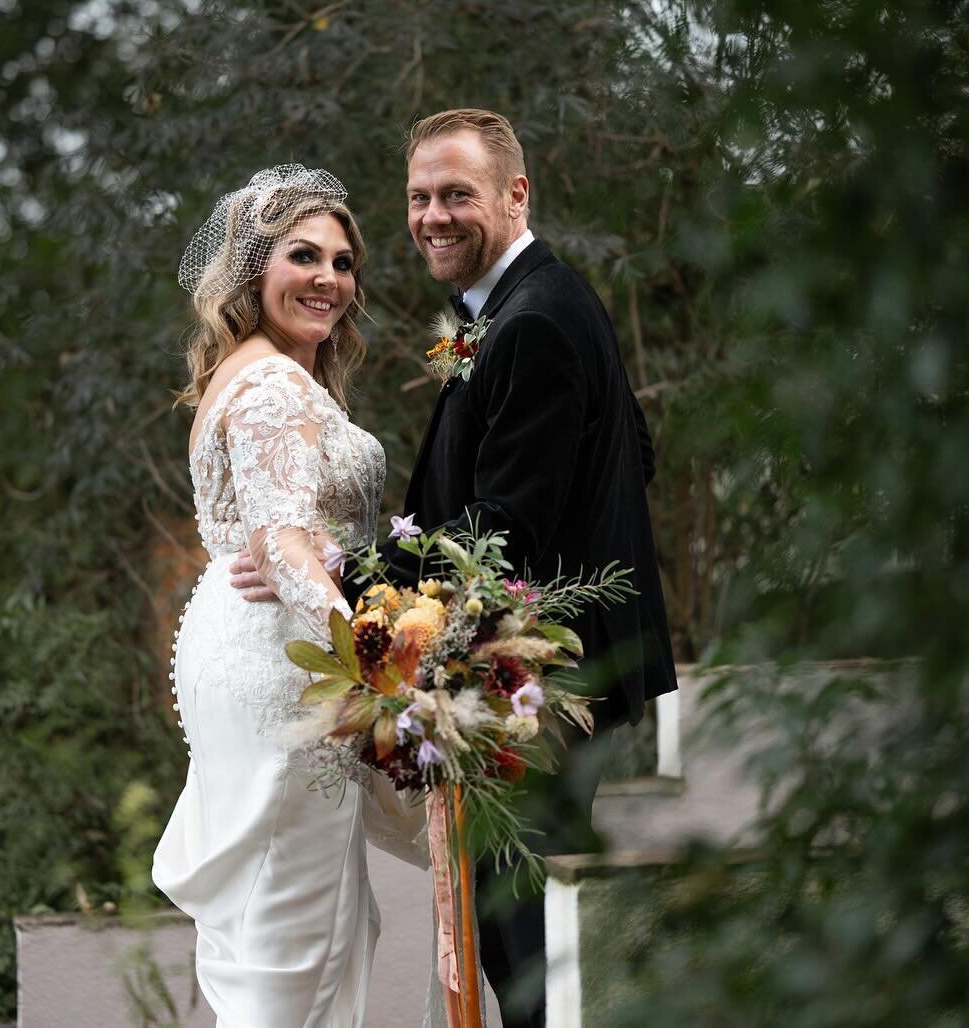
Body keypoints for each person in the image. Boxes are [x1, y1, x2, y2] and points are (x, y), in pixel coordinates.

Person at [231, 111, 680, 1026]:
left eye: (457, 195)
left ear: (517, 195)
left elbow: (504, 526)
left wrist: (348, 570)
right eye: (419, 198)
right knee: (526, 937)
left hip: (541, 678)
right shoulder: (517, 308)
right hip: (543, 665)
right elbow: (631, 446)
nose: (433, 216)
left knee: (528, 954)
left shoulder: (536, 322)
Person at [151, 164, 422, 1028]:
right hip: (289, 666)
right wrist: (388, 683)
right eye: (303, 256)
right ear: (252, 269)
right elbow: (286, 548)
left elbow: (293, 544)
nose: (329, 280)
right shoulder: (270, 383)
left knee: (280, 930)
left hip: (257, 651)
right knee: (294, 941)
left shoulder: (248, 371)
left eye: (343, 263)